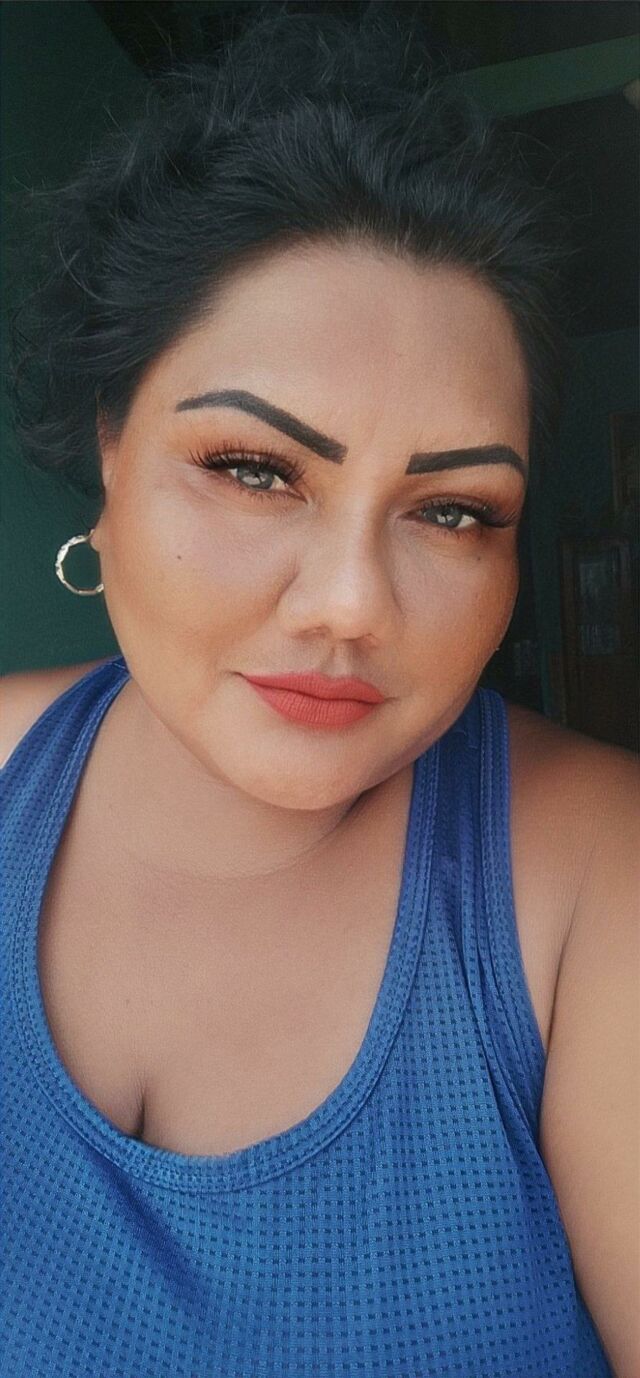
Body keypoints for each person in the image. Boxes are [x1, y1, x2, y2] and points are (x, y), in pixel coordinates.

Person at [1, 6, 637, 1376]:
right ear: (109, 449)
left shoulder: (597, 873)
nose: (353, 604)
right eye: (255, 470)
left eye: (454, 512)